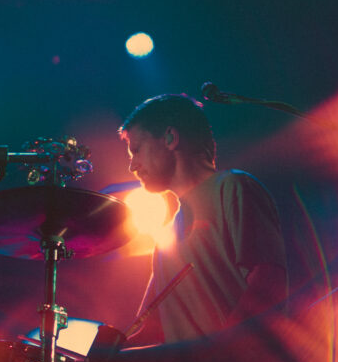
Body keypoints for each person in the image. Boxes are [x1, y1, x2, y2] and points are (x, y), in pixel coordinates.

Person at [119, 93, 288, 345]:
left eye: (136, 150)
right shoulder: (164, 240)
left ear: (170, 138)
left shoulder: (233, 187)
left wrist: (218, 352)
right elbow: (154, 330)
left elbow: (269, 282)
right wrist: (105, 355)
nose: (132, 166)